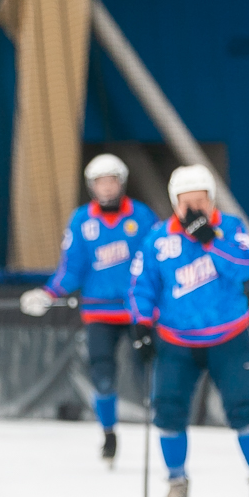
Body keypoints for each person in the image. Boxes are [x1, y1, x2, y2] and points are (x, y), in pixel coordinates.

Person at [130, 164, 249, 497]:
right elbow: (142, 285)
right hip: (177, 341)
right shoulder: (158, 239)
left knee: (244, 409)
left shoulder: (232, 229)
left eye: (200, 202)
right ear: (174, 204)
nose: (193, 210)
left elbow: (243, 268)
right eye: (185, 202)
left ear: (211, 201)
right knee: (167, 410)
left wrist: (210, 239)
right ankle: (176, 483)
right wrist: (142, 325)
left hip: (229, 336)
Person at [21, 154, 158, 466]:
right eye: (100, 182)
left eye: (112, 180)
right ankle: (109, 434)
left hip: (138, 312)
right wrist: (47, 292)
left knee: (149, 375)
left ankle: (165, 431)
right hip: (99, 314)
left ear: (121, 183)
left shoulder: (143, 216)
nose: (107, 187)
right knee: (103, 378)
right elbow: (72, 269)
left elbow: (156, 262)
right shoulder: (82, 220)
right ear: (92, 186)